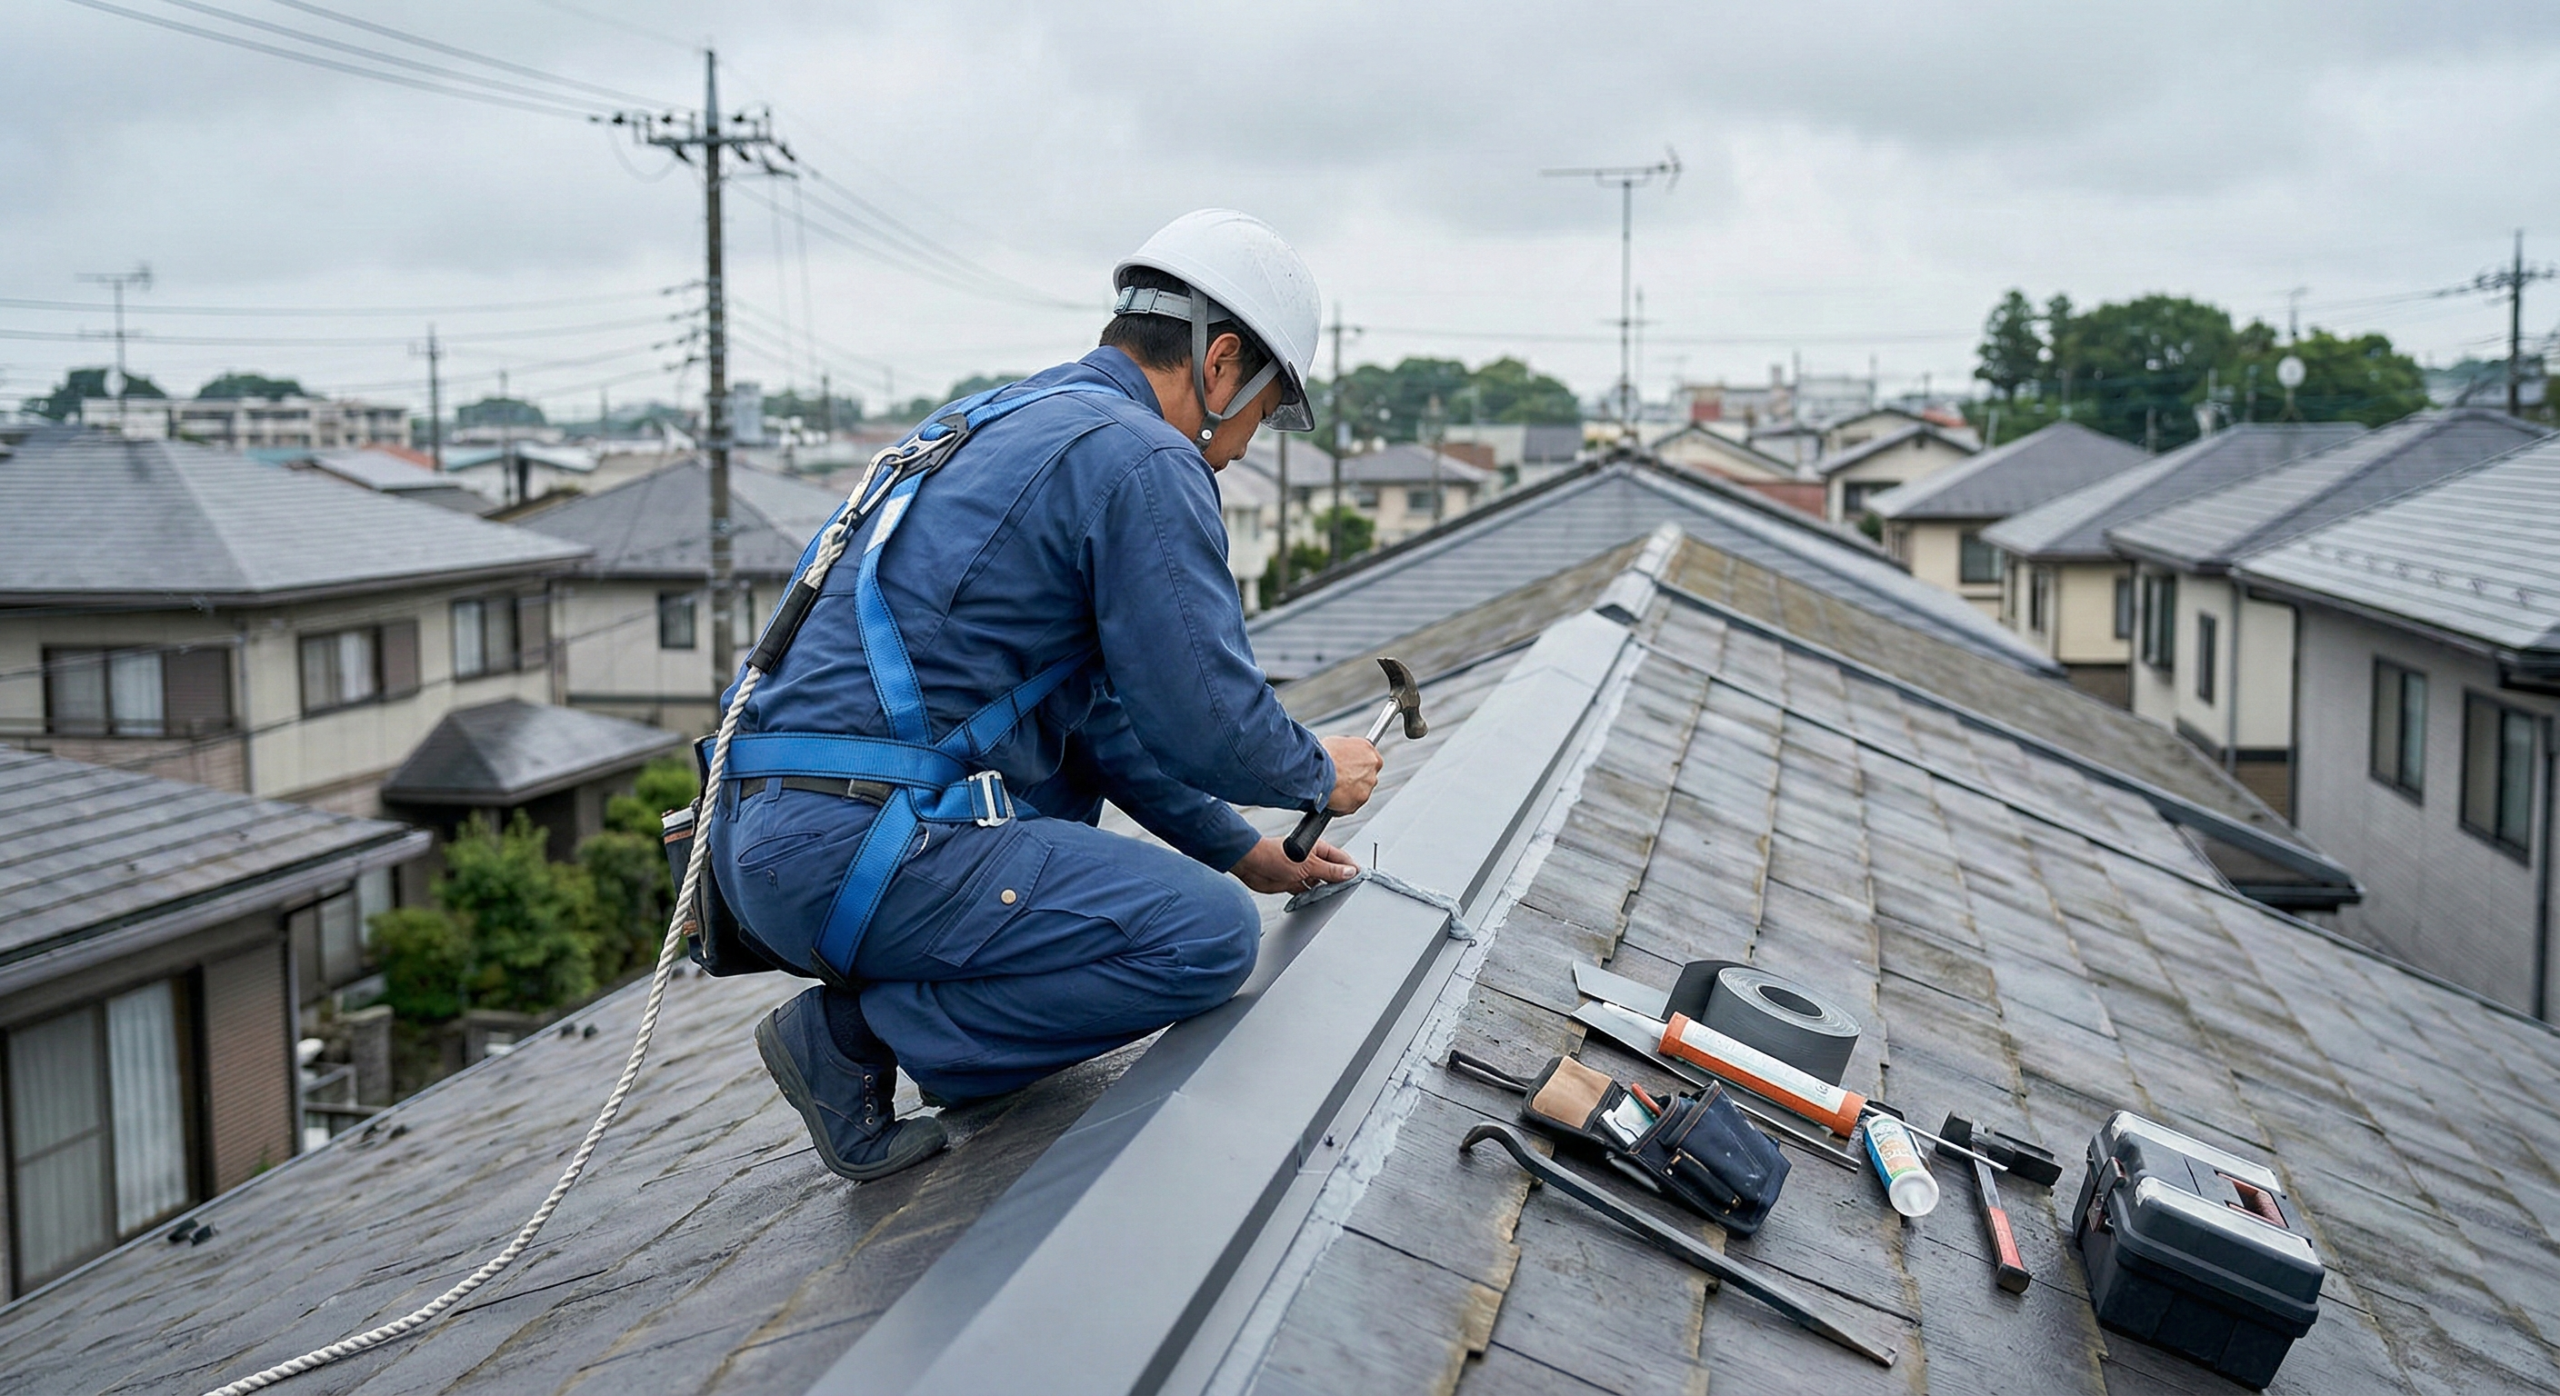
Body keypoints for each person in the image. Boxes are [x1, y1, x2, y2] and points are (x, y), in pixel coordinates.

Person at [707, 209, 1383, 1183]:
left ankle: (903, 1023)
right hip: (860, 845)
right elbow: (1207, 717)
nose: (1240, 448)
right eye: (1265, 410)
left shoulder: (996, 419)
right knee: (1204, 936)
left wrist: (1244, 847)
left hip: (769, 838)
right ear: (1221, 362)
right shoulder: (1145, 458)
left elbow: (1103, 717)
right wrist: (1319, 765)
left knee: (1083, 797)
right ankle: (855, 1036)